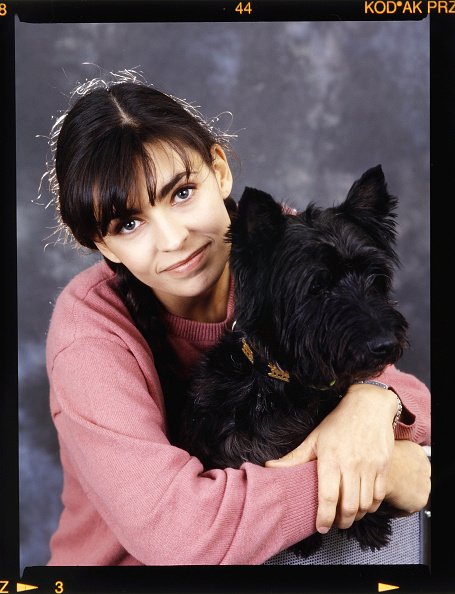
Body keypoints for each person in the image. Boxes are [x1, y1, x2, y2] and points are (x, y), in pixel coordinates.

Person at [44, 72, 431, 566]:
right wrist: (390, 468)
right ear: (101, 246)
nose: (172, 239)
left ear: (219, 171)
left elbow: (406, 390)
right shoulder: (89, 335)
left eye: (181, 193)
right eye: (130, 223)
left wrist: (374, 404)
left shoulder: (279, 247)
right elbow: (179, 536)